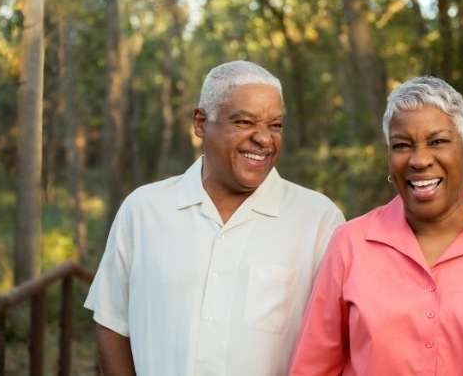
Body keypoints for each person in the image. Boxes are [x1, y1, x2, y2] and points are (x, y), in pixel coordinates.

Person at [84, 60, 345, 375]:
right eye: (245, 121)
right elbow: (112, 322)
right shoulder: (142, 210)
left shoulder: (318, 220)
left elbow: (337, 344)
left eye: (275, 125)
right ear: (200, 122)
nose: (264, 139)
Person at [289, 76, 463, 375]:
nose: (419, 160)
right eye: (402, 145)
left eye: (438, 141)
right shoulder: (350, 244)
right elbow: (312, 368)